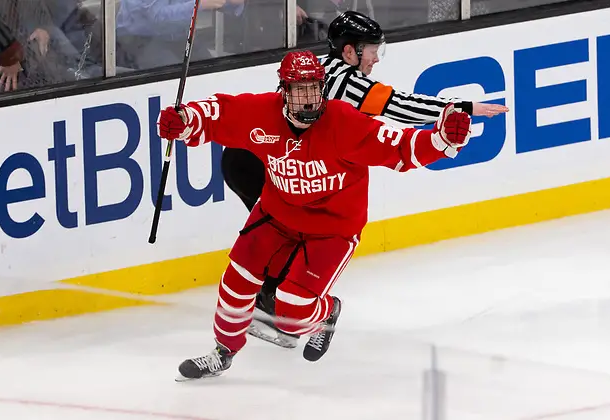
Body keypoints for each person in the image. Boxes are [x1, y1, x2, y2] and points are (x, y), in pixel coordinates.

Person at [157, 49, 475, 380]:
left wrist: (441, 141)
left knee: (291, 308)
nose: (308, 99)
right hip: (276, 214)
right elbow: (219, 113)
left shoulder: (344, 122)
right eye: (299, 90)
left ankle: (326, 315)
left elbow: (400, 147)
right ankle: (223, 352)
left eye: (314, 89)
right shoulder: (262, 113)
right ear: (284, 91)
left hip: (332, 229)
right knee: (235, 282)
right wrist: (185, 121)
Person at [220, 10, 509, 348]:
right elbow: (402, 106)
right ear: (349, 51)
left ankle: (277, 301)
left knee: (284, 229)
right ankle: (279, 303)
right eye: (371, 49)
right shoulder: (349, 81)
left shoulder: (318, 67)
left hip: (252, 160)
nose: (375, 58)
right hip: (263, 162)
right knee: (286, 228)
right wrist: (461, 107)